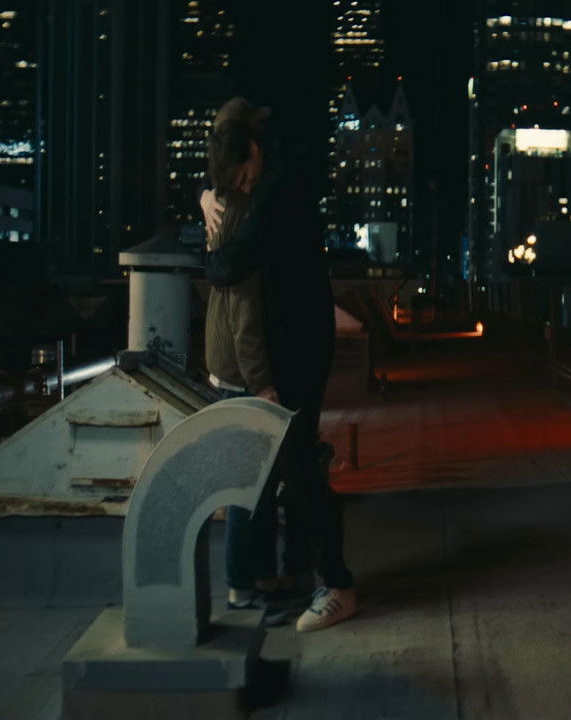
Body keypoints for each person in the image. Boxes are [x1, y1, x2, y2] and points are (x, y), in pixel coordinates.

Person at [201, 97, 356, 632]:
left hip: (300, 349)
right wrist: (205, 196)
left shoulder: (277, 190)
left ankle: (338, 585)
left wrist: (206, 250)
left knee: (301, 472)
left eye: (242, 174)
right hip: (300, 342)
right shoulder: (272, 174)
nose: (240, 186)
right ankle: (323, 578)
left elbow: (230, 266)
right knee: (297, 469)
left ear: (255, 151)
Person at [200, 143, 279, 611]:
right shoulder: (242, 222)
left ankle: (259, 580)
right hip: (237, 372)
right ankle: (242, 585)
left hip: (222, 364)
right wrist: (262, 382)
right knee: (250, 486)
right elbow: (245, 320)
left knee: (254, 482)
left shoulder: (221, 208)